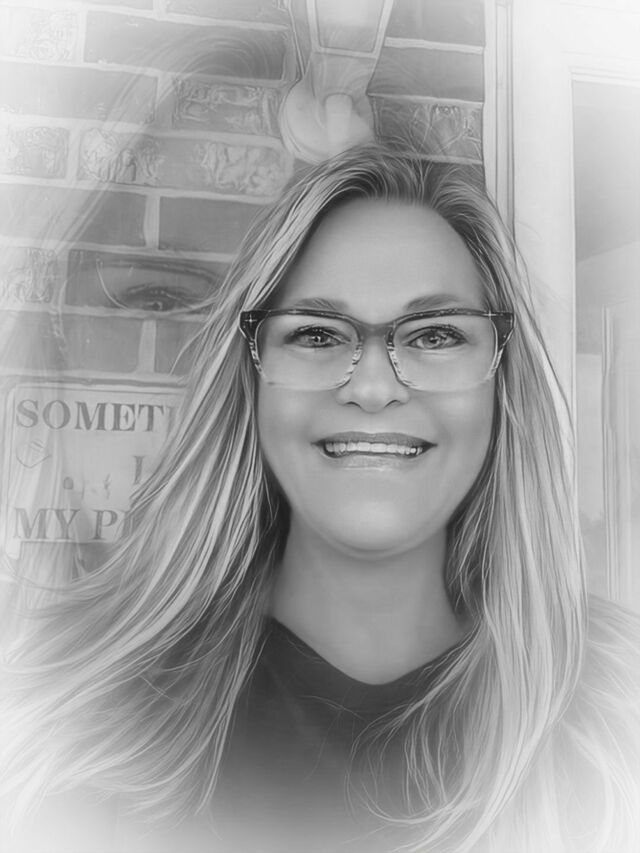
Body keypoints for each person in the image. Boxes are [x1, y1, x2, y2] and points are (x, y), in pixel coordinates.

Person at [1, 144, 639, 853]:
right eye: (315, 333)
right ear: (251, 379)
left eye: (435, 334)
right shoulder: (64, 710)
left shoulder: (618, 716)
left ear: (501, 380)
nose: (372, 387)